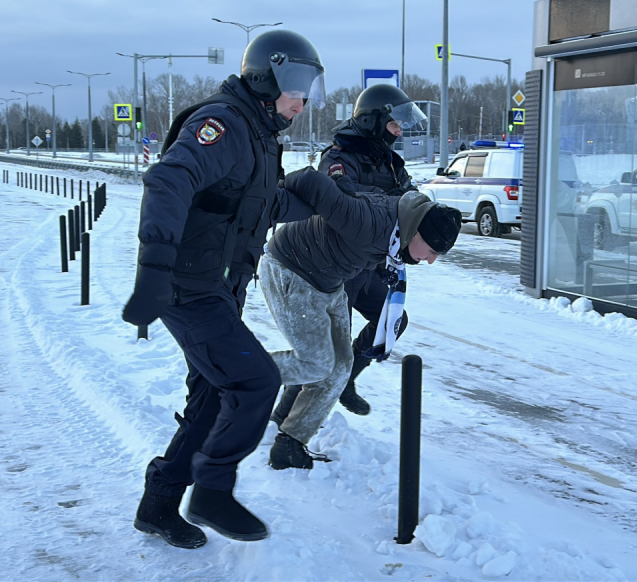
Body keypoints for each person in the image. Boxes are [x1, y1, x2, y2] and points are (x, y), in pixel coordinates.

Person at [121, 29, 327, 549]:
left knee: (213, 398)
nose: (304, 103)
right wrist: (153, 274)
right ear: (268, 76)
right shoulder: (223, 125)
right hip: (187, 288)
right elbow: (169, 182)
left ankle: (159, 504)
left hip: (218, 287)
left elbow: (255, 205)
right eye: (298, 87)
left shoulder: (259, 134)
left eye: (309, 90)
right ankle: (211, 492)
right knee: (255, 380)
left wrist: (320, 200)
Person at [260, 171, 462, 470]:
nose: (431, 260)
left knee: (339, 368)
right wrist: (264, 206)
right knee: (315, 363)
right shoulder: (370, 222)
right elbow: (308, 180)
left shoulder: (399, 230)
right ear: (417, 233)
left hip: (329, 282)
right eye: (433, 251)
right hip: (291, 270)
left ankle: (290, 443)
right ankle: (237, 375)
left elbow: (352, 191)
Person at [273, 84, 427, 421]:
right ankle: (283, 417)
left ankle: (348, 380)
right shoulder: (339, 156)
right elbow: (346, 203)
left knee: (392, 320)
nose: (398, 131)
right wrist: (394, 204)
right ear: (374, 121)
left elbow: (409, 197)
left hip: (369, 264)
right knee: (321, 351)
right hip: (333, 264)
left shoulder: (389, 161)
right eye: (394, 124)